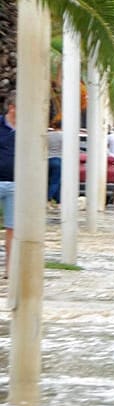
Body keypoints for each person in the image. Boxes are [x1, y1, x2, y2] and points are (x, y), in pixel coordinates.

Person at [0, 92, 15, 278]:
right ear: (12, 108)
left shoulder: (28, 128)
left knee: (13, 228)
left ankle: (9, 269)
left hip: (16, 184)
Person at [46, 127, 62, 205]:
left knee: (49, 181)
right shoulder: (62, 135)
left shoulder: (47, 135)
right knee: (55, 182)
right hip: (58, 159)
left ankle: (58, 200)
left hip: (47, 159)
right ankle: (48, 199)